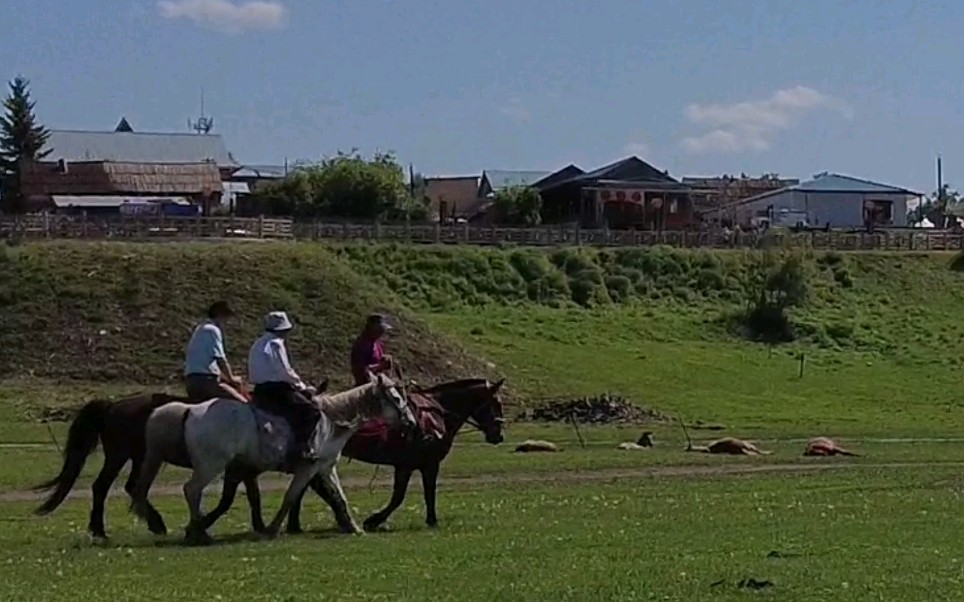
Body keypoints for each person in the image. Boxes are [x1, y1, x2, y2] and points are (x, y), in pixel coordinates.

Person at [247, 311, 322, 461]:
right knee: (311, 412)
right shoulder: (276, 344)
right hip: (277, 389)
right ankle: (301, 449)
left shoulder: (258, 342)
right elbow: (284, 371)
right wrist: (301, 386)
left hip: (259, 389)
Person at [184, 301, 246, 403]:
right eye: (226, 317)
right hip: (206, 381)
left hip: (191, 381)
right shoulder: (213, 330)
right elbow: (220, 358)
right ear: (220, 315)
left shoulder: (199, 329)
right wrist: (232, 378)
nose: (227, 322)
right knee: (242, 403)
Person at [350, 313, 394, 386]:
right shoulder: (361, 346)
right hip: (366, 385)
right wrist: (380, 366)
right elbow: (360, 371)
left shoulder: (376, 342)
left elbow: (377, 357)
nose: (381, 333)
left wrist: (384, 359)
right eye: (380, 330)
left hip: (378, 380)